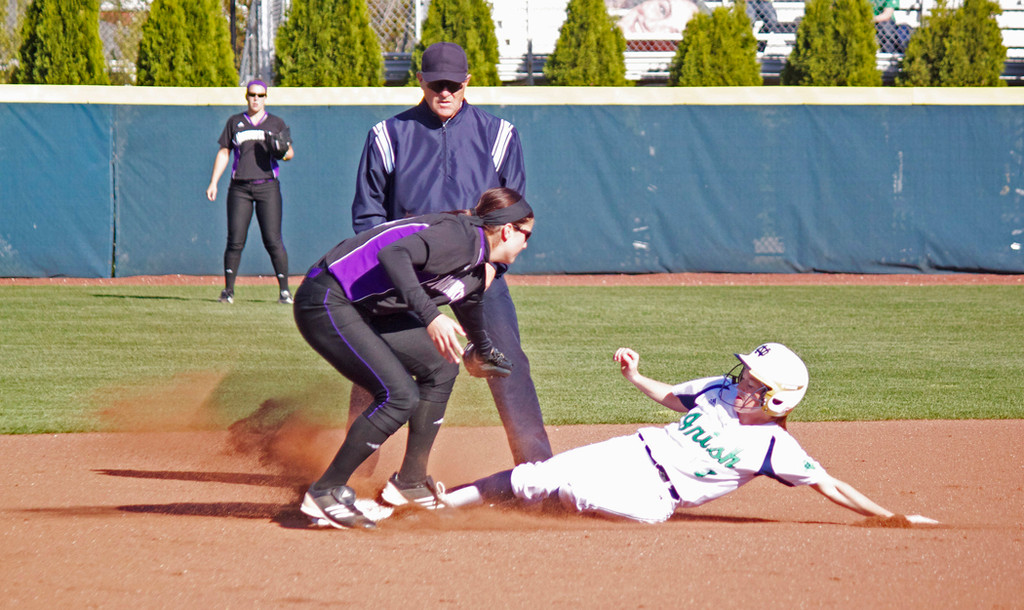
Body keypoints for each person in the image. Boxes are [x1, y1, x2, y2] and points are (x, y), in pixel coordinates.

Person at [440, 343, 938, 526]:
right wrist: (635, 377)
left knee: (566, 489)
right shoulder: (720, 390)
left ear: (777, 400)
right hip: (633, 451)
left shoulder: (774, 447)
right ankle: (436, 508)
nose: (741, 380)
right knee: (534, 476)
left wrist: (891, 516)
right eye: (745, 373)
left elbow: (830, 485)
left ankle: (531, 504)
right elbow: (672, 398)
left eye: (754, 382)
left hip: (654, 497)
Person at [348, 41, 553, 468]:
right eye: (436, 84)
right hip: (408, 273)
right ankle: (355, 473)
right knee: (377, 367)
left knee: (506, 363)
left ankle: (537, 471)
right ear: (420, 81)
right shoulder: (388, 135)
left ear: (468, 82)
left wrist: (493, 266)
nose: (445, 93)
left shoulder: (498, 135)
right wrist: (386, 271)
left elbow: (512, 211)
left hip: (477, 272)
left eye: (454, 85)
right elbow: (368, 213)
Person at [296, 187, 535, 530]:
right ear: (507, 229)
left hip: (366, 308)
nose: (527, 244)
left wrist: (482, 350)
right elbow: (394, 255)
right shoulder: (460, 237)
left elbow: (468, 302)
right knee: (398, 396)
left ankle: (410, 481)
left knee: (442, 367)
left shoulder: (477, 258)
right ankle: (326, 490)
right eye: (526, 234)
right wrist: (430, 316)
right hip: (328, 299)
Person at [206, 79, 295, 305]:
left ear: (266, 97)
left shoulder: (275, 123)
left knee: (273, 240)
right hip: (240, 187)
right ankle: (228, 291)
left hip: (267, 186)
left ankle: (285, 292)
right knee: (235, 240)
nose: (256, 98)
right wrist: (214, 181)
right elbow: (224, 152)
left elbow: (289, 153)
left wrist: (281, 151)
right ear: (246, 96)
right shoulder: (235, 122)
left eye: (261, 95)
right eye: (252, 94)